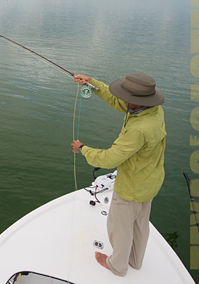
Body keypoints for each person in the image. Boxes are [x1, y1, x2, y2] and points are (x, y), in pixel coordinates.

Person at [71, 73, 166, 277]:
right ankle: (135, 261)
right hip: (150, 182)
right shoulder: (154, 111)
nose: (121, 98)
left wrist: (82, 149)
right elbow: (117, 101)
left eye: (124, 96)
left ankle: (118, 266)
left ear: (135, 101)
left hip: (131, 187)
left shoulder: (138, 129)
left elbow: (109, 160)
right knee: (141, 224)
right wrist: (92, 84)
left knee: (120, 228)